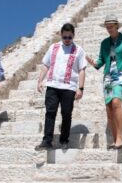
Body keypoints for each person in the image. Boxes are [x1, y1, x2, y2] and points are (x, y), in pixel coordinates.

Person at [86, 15, 122, 149]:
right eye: (107, 27)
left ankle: (120, 137)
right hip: (108, 75)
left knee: (116, 102)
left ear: (117, 26)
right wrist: (93, 63)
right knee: (109, 107)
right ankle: (115, 139)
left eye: (111, 26)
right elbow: (100, 62)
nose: (109, 29)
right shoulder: (104, 43)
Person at [35, 23, 87, 151]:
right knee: (50, 112)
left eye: (70, 37)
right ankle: (47, 141)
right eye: (65, 37)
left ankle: (64, 140)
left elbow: (82, 69)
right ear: (61, 35)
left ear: (73, 36)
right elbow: (46, 65)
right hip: (52, 85)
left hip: (69, 87)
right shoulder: (53, 47)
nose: (67, 40)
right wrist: (40, 81)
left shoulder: (79, 50)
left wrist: (80, 88)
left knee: (66, 113)